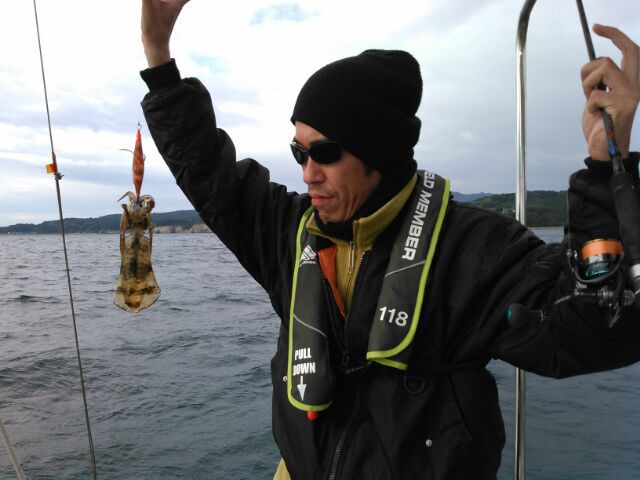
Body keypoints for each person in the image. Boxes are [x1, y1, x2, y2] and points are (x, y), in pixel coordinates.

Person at [139, 1, 640, 479]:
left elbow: (596, 327)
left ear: (377, 153)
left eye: (325, 153)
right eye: (299, 152)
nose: (308, 173)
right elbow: (207, 172)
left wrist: (603, 169)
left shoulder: (474, 250)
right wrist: (159, 59)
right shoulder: (288, 234)